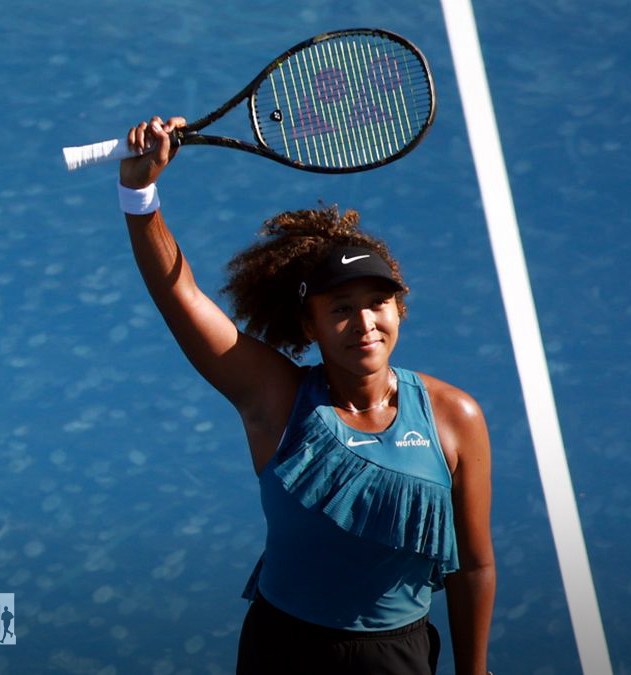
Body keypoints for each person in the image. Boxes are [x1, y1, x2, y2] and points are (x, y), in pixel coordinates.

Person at [118, 116, 495, 675]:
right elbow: (182, 298)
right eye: (340, 310)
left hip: (397, 656)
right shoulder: (275, 400)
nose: (364, 322)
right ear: (309, 325)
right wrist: (138, 191)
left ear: (400, 308)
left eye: (377, 302)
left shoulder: (454, 416)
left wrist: (475, 671)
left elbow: (474, 566)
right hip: (284, 651)